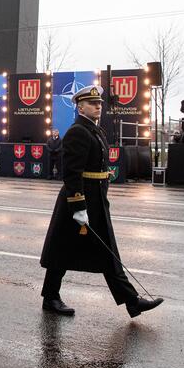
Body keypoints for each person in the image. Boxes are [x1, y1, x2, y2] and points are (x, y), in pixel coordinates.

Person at [40, 85, 163, 318]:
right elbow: (72, 173)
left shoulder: (95, 130)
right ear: (80, 106)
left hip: (95, 199)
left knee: (105, 251)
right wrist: (78, 205)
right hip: (78, 201)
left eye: (100, 103)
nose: (98, 106)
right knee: (63, 249)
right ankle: (51, 298)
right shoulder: (78, 131)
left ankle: (131, 300)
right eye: (93, 103)